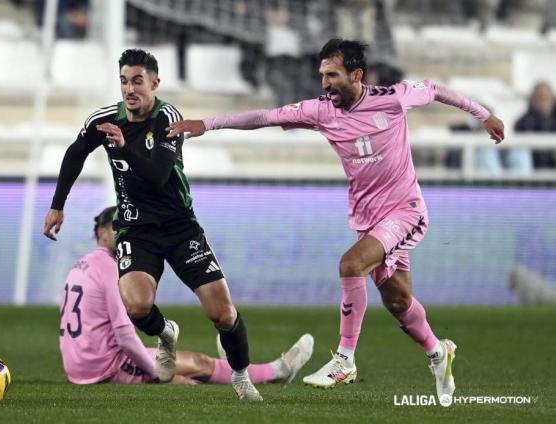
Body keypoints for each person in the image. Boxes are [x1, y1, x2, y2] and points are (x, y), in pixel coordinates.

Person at [167, 38, 505, 405]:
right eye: (322, 75)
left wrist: (482, 114)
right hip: (368, 219)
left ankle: (344, 359)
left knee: (351, 265)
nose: (325, 83)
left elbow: (437, 90)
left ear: (356, 74)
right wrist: (208, 123)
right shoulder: (320, 111)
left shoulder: (393, 98)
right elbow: (265, 116)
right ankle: (439, 352)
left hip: (405, 210)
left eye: (332, 74)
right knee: (397, 300)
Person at [44, 49, 265, 401]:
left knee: (222, 313)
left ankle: (240, 375)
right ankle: (165, 334)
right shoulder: (105, 119)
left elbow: (158, 175)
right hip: (136, 229)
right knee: (136, 307)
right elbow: (75, 152)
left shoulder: (168, 118)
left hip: (180, 227)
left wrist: (122, 147)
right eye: (123, 81)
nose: (129, 89)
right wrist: (57, 206)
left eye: (137, 81)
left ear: (154, 84)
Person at [59, 206, 315, 386]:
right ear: (101, 233)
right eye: (116, 228)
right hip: (105, 368)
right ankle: (277, 371)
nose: (123, 232)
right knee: (199, 364)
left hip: (80, 364)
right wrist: (161, 376)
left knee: (189, 362)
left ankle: (246, 367)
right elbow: (125, 336)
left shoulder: (83, 264)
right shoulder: (110, 268)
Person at [514, 81, 556, 169]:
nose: (542, 101)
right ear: (532, 99)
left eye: (545, 98)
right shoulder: (522, 122)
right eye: (539, 97)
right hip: (531, 168)